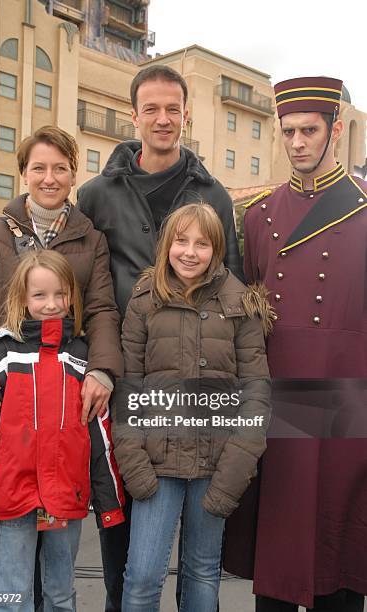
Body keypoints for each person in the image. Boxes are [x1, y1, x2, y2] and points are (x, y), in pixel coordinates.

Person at [77, 63, 243, 611]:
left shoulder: (213, 194)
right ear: (134, 115)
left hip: (193, 387)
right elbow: (75, 279)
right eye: (152, 108)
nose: (163, 119)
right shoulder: (96, 194)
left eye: (173, 108)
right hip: (123, 376)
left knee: (197, 557)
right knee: (125, 538)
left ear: (186, 113)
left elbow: (232, 290)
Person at [0, 126, 123, 609]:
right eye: (39, 168)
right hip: (3, 386)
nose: (49, 178)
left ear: (73, 173)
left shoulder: (89, 238)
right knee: (1, 526)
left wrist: (101, 370)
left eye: (60, 168)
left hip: (61, 386)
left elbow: (101, 312)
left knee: (51, 554)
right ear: (23, 172)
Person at [224, 77, 367, 611]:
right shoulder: (258, 216)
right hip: (281, 394)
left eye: (310, 130)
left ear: (334, 132)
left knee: (340, 547)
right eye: (289, 132)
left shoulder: (363, 212)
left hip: (349, 395)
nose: (299, 142)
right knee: (279, 560)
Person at [112, 203, 271, 612]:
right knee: (143, 576)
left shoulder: (241, 304)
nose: (189, 252)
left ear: (217, 249)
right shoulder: (145, 300)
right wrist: (133, 463)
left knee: (202, 571)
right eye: (181, 241)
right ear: (167, 244)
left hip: (215, 465)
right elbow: (128, 389)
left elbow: (256, 393)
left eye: (202, 244)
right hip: (155, 462)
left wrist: (235, 469)